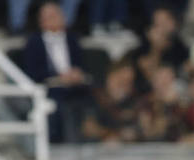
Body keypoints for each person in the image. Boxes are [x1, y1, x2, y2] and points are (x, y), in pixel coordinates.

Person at [21, 2, 91, 141]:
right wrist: (59, 78)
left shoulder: (73, 40)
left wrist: (75, 74)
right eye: (50, 16)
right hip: (50, 88)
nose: (55, 19)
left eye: (56, 15)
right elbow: (33, 73)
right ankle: (60, 143)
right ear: (41, 21)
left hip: (75, 86)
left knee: (92, 95)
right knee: (57, 102)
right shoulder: (33, 43)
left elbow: (80, 64)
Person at [82, 62, 144, 143]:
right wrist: (114, 134)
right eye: (120, 79)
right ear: (110, 77)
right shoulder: (94, 97)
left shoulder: (135, 102)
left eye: (129, 81)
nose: (124, 84)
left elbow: (138, 131)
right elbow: (89, 129)